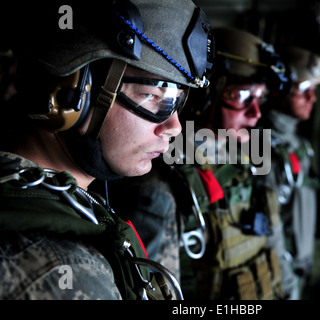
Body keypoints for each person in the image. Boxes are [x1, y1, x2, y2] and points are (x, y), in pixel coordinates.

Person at [0, 0, 213, 300]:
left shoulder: (58, 199)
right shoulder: (69, 273)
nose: (174, 127)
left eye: (179, 100)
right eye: (154, 95)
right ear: (68, 90)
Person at [104, 26, 288, 300]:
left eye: (259, 98)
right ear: (205, 95)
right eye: (240, 96)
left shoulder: (246, 160)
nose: (255, 112)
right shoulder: (161, 190)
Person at [258, 46, 320, 299]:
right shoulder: (265, 145)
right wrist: (287, 286)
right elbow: (269, 228)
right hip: (280, 276)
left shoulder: (298, 143)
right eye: (304, 89)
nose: (312, 98)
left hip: (297, 270)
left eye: (314, 90)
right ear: (280, 88)